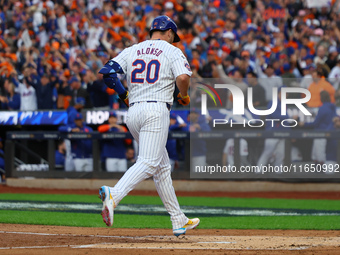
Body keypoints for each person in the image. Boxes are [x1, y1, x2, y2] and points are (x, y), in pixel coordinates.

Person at [98, 15, 199, 236]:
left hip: (133, 112)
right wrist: (183, 95)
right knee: (149, 162)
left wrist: (123, 94)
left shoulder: (133, 49)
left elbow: (107, 72)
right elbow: (183, 78)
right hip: (156, 110)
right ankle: (114, 194)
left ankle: (178, 219)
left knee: (162, 168)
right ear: (170, 33)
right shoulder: (172, 50)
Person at [298, 91, 336, 164]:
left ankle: (321, 173)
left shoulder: (322, 108)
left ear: (321, 98)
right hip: (331, 135)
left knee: (319, 157)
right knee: (325, 156)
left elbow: (315, 124)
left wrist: (304, 124)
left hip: (321, 135)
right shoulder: (332, 107)